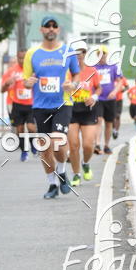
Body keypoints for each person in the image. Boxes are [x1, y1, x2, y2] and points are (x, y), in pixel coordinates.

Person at [23, 16, 80, 199]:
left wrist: (72, 85)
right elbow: (25, 80)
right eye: (47, 26)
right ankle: (52, 184)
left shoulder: (68, 51)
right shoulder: (32, 53)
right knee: (44, 149)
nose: (51, 29)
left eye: (54, 26)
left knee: (57, 141)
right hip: (40, 106)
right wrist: (28, 83)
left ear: (58, 30)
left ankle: (61, 171)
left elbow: (77, 75)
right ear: (41, 29)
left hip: (62, 104)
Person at [67, 42, 101, 186]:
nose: (79, 55)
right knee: (74, 145)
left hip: (88, 110)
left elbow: (98, 88)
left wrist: (94, 97)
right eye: (76, 52)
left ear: (86, 54)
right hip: (71, 110)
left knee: (88, 144)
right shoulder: (67, 71)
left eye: (82, 52)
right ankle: (76, 174)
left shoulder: (92, 71)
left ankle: (85, 163)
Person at [0, 51, 37, 161]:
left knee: (31, 128)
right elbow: (2, 90)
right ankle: (24, 151)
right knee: (20, 130)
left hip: (31, 104)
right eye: (20, 58)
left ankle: (33, 145)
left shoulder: (34, 69)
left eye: (24, 58)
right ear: (17, 58)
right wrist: (7, 84)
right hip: (17, 104)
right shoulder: (11, 71)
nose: (22, 61)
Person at [92, 45, 125, 154]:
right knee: (98, 120)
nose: (101, 56)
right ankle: (97, 144)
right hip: (98, 98)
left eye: (103, 54)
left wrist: (114, 92)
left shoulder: (113, 66)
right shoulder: (94, 67)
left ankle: (106, 145)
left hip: (110, 99)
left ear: (107, 55)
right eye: (99, 54)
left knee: (109, 123)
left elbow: (120, 81)